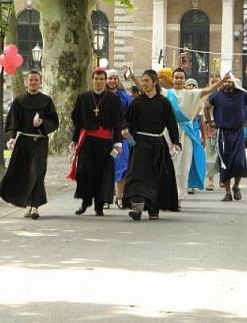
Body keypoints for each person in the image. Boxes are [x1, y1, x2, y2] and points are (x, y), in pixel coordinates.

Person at [0, 70, 59, 219]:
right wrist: (11, 138)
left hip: (39, 141)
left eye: (36, 80)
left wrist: (42, 123)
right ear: (26, 82)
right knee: (24, 173)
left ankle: (35, 207)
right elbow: (12, 122)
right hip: (23, 142)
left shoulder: (47, 101)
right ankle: (29, 204)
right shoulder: (19, 101)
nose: (33, 82)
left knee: (37, 172)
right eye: (31, 80)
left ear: (40, 82)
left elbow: (54, 121)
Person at [122, 70, 181, 221]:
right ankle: (137, 207)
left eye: (147, 80)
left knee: (156, 177)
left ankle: (153, 208)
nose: (144, 84)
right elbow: (128, 120)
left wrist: (176, 142)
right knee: (137, 175)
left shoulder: (164, 102)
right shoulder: (137, 102)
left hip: (157, 144)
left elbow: (171, 124)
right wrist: (126, 130)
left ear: (154, 82)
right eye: (142, 81)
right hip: (140, 143)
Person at [163, 68, 226, 201]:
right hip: (169, 133)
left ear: (184, 80)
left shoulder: (191, 94)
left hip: (187, 133)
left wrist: (222, 82)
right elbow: (147, 88)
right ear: (172, 79)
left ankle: (179, 197)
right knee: (170, 164)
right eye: (176, 77)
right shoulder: (166, 93)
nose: (178, 80)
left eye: (181, 78)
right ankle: (169, 195)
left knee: (184, 166)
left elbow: (207, 91)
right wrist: (133, 76)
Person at [69, 69, 124, 216]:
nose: (99, 82)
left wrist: (118, 142)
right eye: (96, 79)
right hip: (87, 141)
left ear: (105, 81)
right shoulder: (83, 98)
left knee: (103, 174)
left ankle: (99, 206)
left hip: (105, 142)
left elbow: (118, 123)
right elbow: (78, 122)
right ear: (92, 80)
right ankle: (85, 202)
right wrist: (74, 140)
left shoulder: (113, 99)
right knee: (84, 172)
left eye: (102, 79)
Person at [205, 75, 247, 201]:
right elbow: (206, 106)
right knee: (225, 163)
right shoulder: (217, 96)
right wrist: (210, 121)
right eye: (225, 81)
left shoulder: (242, 95)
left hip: (238, 131)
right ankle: (227, 192)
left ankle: (236, 187)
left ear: (234, 83)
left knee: (239, 161)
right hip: (223, 132)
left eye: (230, 81)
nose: (227, 83)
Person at [106, 69, 133, 208]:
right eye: (109, 78)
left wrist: (127, 128)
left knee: (122, 165)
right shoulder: (99, 97)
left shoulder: (125, 97)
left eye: (115, 78)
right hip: (105, 137)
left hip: (121, 137)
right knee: (107, 166)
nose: (112, 81)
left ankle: (120, 196)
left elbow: (131, 114)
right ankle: (106, 198)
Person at [203, 73, 221, 190]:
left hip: (223, 128)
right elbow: (203, 107)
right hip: (209, 127)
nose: (214, 79)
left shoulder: (225, 94)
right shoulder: (205, 94)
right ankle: (210, 181)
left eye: (217, 78)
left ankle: (224, 178)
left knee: (221, 155)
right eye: (212, 78)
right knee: (209, 154)